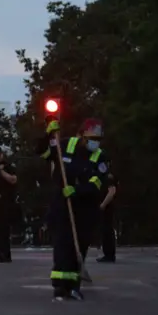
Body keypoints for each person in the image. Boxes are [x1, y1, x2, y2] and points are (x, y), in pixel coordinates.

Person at [37, 118, 109, 301]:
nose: (94, 142)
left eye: (97, 139)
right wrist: (47, 135)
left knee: (80, 247)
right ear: (80, 135)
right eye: (91, 138)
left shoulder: (100, 157)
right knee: (62, 246)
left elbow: (97, 183)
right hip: (62, 205)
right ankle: (60, 288)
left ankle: (74, 286)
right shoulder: (65, 145)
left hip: (85, 208)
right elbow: (42, 152)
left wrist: (77, 190)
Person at [97, 170, 118, 263]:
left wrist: (103, 204)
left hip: (107, 207)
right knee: (104, 230)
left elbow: (112, 191)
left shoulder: (107, 177)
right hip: (103, 207)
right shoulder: (101, 176)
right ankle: (107, 253)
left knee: (107, 230)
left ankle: (109, 254)